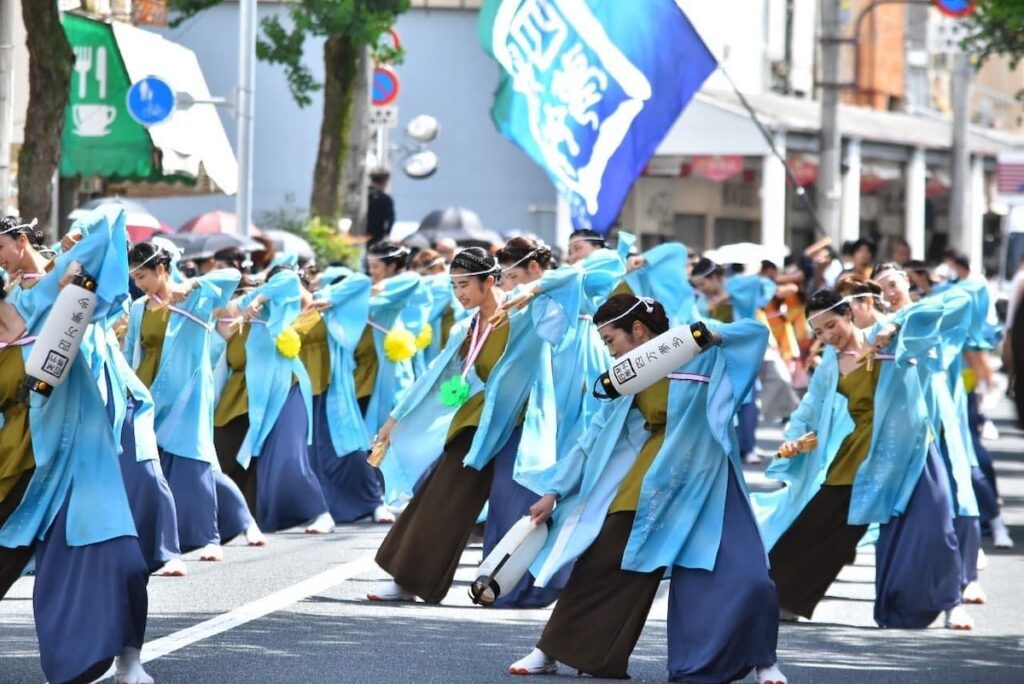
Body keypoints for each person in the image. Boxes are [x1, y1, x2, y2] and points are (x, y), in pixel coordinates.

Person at [509, 295, 785, 683]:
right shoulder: (630, 374)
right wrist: (555, 489)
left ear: (637, 329)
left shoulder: (696, 348)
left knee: (746, 574)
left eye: (611, 340)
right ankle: (550, 650)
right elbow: (594, 435)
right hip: (652, 475)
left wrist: (715, 336)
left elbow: (756, 333)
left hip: (710, 477)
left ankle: (763, 663)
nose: (610, 350)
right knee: (604, 561)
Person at [367, 248, 577, 605]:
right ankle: (409, 580)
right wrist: (394, 419)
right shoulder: (466, 327)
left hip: (521, 424)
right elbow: (433, 377)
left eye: (465, 285)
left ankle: (516, 590)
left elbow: (575, 279)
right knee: (441, 497)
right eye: (454, 286)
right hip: (478, 423)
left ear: (489, 281)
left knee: (523, 505)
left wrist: (532, 290)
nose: (459, 293)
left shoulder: (525, 315)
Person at [753, 288, 971, 629]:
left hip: (910, 451)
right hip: (859, 456)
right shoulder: (830, 363)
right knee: (817, 526)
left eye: (831, 325)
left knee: (935, 530)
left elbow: (956, 302)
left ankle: (951, 603)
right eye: (819, 332)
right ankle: (781, 596)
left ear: (849, 314)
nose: (828, 336)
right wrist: (794, 440)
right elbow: (810, 408)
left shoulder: (888, 338)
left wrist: (896, 326)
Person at [0, 209, 153, 684]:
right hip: (16, 461)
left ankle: (128, 657)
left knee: (121, 559)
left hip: (79, 452)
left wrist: (72, 248)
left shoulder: (45, 295)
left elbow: (110, 222)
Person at [212, 267, 335, 534]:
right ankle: (247, 517)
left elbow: (288, 279)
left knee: (289, 454)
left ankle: (319, 511)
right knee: (243, 459)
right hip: (252, 397)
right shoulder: (232, 315)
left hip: (287, 386)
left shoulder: (272, 306)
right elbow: (223, 318)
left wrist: (258, 299)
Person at [367, 169, 395, 246]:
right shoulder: (385, 199)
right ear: (384, 182)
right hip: (375, 236)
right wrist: (386, 234)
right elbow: (390, 219)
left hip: (356, 234)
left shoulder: (363, 195)